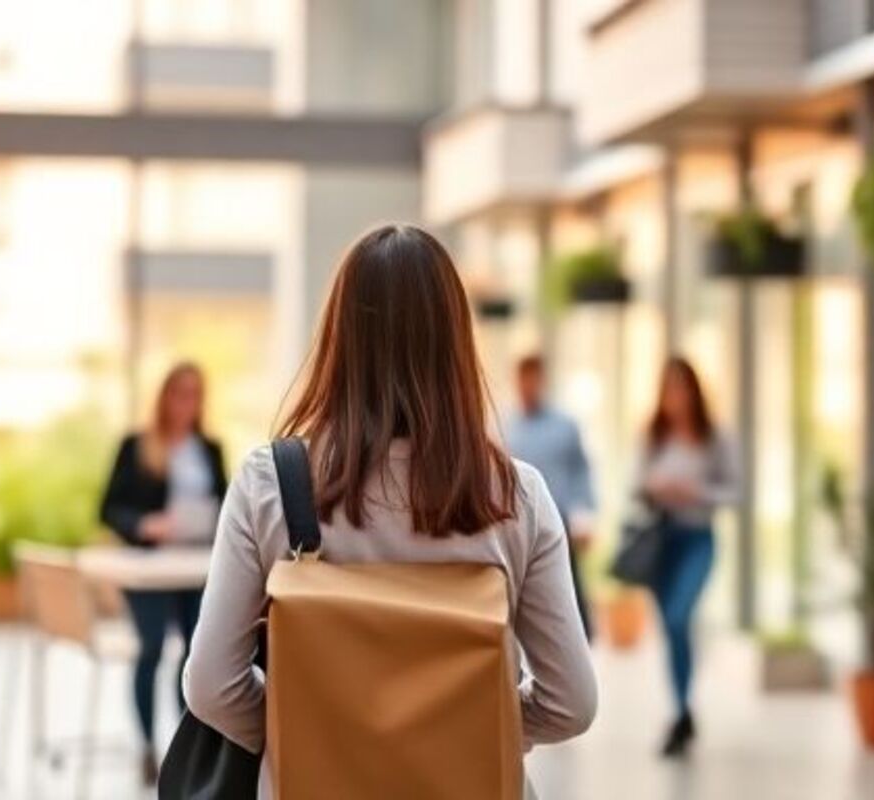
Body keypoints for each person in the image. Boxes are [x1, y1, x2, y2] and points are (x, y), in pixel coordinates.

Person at [183, 224, 597, 798]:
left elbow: (210, 685)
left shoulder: (271, 485)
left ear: (338, 338)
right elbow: (571, 703)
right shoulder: (514, 495)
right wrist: (459, 736)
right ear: (455, 341)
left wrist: (311, 735)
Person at [99, 362, 228, 784]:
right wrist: (143, 525)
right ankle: (147, 747)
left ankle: (183, 747)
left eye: (195, 394)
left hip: (196, 567)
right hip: (149, 567)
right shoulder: (137, 446)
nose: (186, 403)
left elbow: (227, 508)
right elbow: (108, 508)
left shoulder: (209, 449)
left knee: (196, 654)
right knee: (151, 648)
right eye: (179, 393)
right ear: (165, 396)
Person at [633, 356, 738, 758]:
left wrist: (697, 493)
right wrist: (657, 486)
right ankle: (681, 709)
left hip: (697, 538)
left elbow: (735, 491)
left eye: (682, 387)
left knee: (680, 617)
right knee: (671, 629)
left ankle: (682, 709)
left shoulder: (716, 438)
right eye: (669, 387)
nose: (676, 396)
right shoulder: (654, 436)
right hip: (662, 541)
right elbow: (635, 483)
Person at [506, 354, 598, 641]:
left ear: (542, 381)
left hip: (559, 520)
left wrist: (585, 514)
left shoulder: (564, 425)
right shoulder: (505, 426)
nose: (528, 386)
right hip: (515, 526)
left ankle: (580, 644)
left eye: (534, 378)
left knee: (567, 593)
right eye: (524, 379)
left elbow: (582, 471)